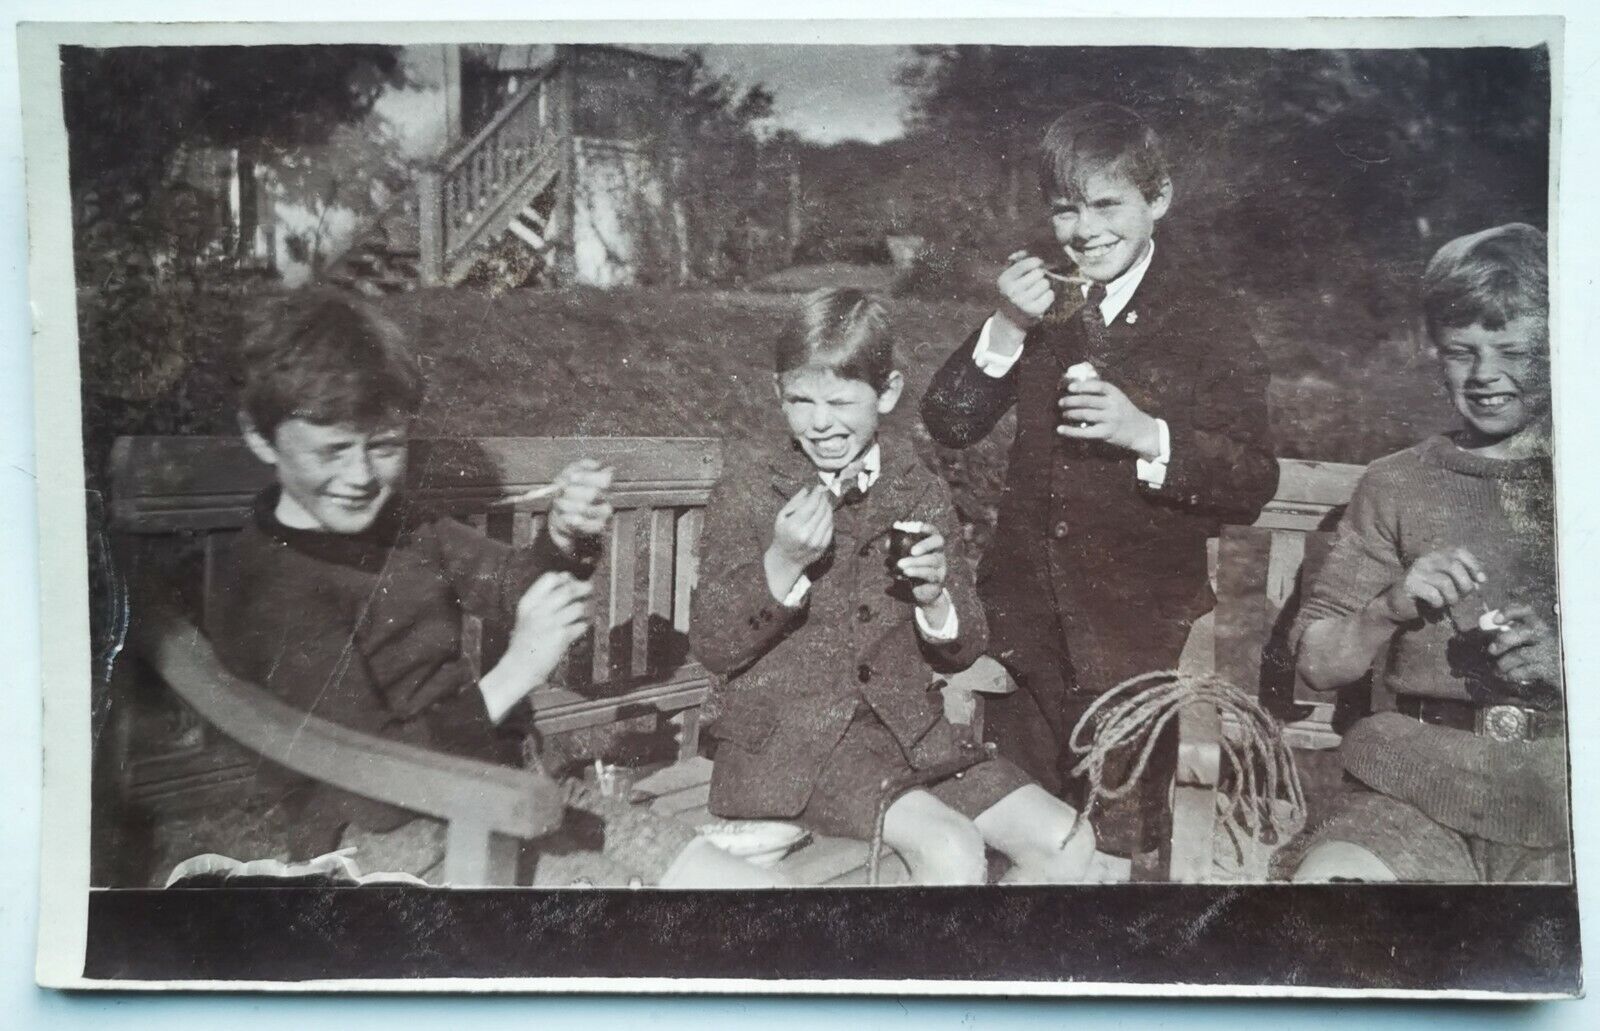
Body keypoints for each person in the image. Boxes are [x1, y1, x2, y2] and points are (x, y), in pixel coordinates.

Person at [206, 289, 784, 888]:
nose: (360, 476)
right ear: (259, 436)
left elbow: (518, 586)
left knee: (759, 894)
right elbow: (374, 795)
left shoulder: (404, 529)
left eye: (384, 447)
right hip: (401, 851)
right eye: (332, 451)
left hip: (513, 790)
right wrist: (516, 672)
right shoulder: (273, 586)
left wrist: (563, 537)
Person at [919, 102, 1279, 861]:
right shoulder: (1043, 301)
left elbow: (1252, 477)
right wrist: (1008, 326)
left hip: (1137, 639)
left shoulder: (1209, 319)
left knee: (1115, 850)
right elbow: (949, 420)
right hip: (1024, 630)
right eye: (1065, 209)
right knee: (1015, 835)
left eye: (1109, 204)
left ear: (1160, 200)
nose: (1086, 231)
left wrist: (1147, 435)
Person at [691, 288, 1095, 884]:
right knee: (950, 846)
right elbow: (714, 642)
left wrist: (936, 600)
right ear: (778, 395)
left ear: (888, 394)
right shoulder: (754, 489)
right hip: (796, 753)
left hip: (913, 738)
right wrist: (781, 562)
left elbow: (963, 648)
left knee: (1068, 840)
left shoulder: (917, 490)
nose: (820, 422)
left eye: (840, 401)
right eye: (800, 400)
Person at [1289, 223, 1568, 883]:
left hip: (1563, 801)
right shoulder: (1399, 481)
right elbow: (1317, 663)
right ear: (1434, 353)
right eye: (1461, 350)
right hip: (1408, 790)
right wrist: (1388, 607)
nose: (1486, 375)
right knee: (1330, 902)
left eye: (1512, 349)